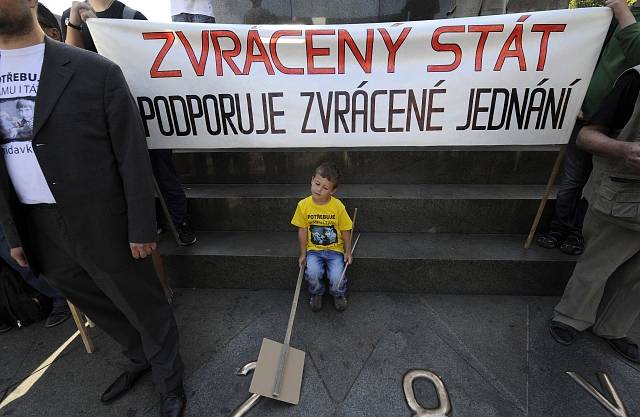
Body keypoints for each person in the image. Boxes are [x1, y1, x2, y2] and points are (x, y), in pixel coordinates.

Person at [0, 2, 186, 416]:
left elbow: (132, 155)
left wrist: (142, 225)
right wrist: (14, 234)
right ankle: (139, 356)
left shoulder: (94, 71)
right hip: (37, 225)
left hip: (105, 221)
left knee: (143, 302)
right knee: (96, 303)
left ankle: (170, 380)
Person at [63, 0, 197, 246]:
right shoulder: (70, 17)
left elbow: (152, 62)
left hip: (142, 107)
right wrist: (75, 22)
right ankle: (149, 222)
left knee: (161, 168)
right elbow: (70, 59)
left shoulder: (131, 16)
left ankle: (181, 221)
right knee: (125, 173)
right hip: (101, 112)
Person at [548, 64, 640, 364]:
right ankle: (571, 317)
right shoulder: (634, 81)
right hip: (623, 198)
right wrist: (624, 150)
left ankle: (614, 328)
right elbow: (586, 136)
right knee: (598, 264)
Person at [536, 0, 640, 255]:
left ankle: (578, 233)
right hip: (586, 112)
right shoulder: (610, 17)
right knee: (571, 178)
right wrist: (577, 96)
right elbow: (590, 57)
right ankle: (558, 228)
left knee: (594, 182)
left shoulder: (624, 16)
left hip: (618, 122)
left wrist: (623, 12)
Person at [291, 162, 353, 312]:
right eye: (317, 183)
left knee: (337, 276)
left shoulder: (338, 206)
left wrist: (348, 251)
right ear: (312, 180)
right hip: (313, 250)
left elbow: (346, 230)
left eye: (325, 188)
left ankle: (338, 293)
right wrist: (303, 253)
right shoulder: (303, 205)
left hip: (335, 250)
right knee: (312, 272)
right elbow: (302, 230)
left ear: (333, 190)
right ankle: (316, 293)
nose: (319, 189)